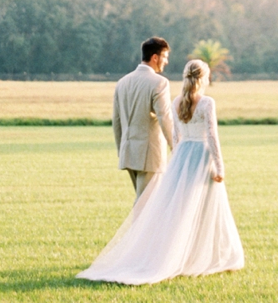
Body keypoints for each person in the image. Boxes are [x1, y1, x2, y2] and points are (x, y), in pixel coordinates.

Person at [77, 58, 244, 285]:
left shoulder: (176, 102)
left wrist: (178, 159)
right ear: (204, 78)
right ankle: (200, 256)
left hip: (183, 155)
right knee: (205, 208)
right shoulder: (207, 103)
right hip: (202, 156)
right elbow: (212, 136)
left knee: (181, 208)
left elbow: (176, 137)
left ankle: (184, 254)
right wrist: (220, 166)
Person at [112, 36, 173, 201]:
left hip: (128, 153)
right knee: (146, 208)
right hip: (150, 155)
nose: (166, 62)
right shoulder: (159, 83)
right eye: (165, 57)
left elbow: (116, 122)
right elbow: (165, 117)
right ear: (155, 57)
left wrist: (122, 150)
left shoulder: (122, 82)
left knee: (145, 204)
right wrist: (176, 146)